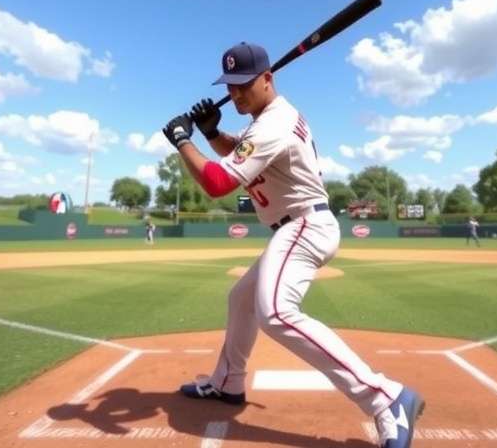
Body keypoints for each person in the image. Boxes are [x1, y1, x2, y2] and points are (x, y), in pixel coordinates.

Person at [161, 42, 424, 448]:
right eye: (230, 86)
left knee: (276, 312)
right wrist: (212, 133)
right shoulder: (266, 121)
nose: (235, 95)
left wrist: (184, 141)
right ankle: (228, 381)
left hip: (303, 224)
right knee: (241, 299)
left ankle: (386, 397)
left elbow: (217, 183)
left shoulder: (273, 122)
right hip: (296, 225)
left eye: (244, 85)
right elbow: (241, 156)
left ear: (268, 78)